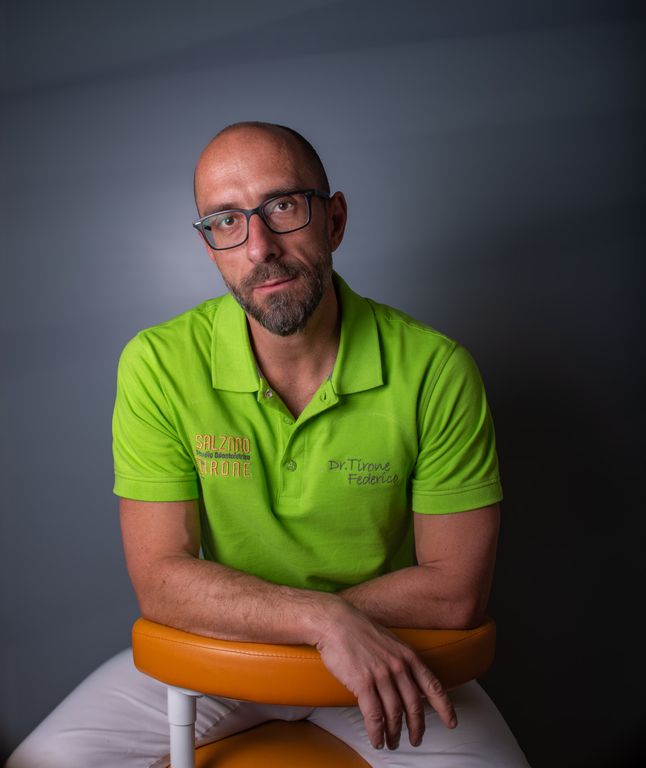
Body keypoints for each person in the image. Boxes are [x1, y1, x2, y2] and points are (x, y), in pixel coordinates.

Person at [7, 122, 530, 767]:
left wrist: (325, 624)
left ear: (334, 221)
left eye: (282, 206)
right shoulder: (158, 363)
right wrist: (319, 621)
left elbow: (455, 591)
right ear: (210, 247)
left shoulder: (435, 369)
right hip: (224, 658)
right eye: (226, 221)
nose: (259, 247)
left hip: (384, 653)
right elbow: (162, 581)